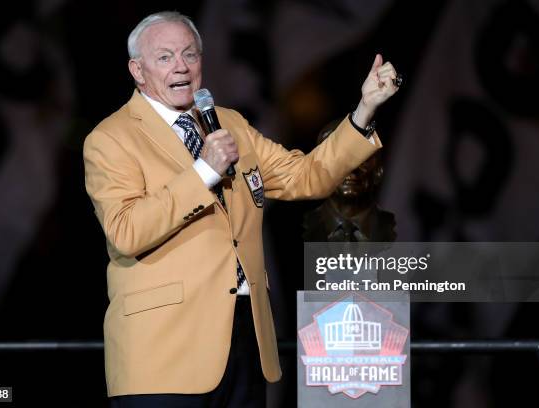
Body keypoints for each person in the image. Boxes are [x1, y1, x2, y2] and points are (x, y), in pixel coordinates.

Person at [83, 10, 399, 407]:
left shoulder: (228, 124)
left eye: (190, 54)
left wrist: (364, 111)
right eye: (165, 57)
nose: (181, 66)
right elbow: (126, 231)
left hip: (244, 345)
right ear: (138, 70)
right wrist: (204, 173)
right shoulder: (111, 138)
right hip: (163, 355)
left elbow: (307, 176)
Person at [302, 120, 397, 242]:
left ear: (378, 172)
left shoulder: (404, 230)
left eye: (362, 157)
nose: (350, 169)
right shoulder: (287, 233)